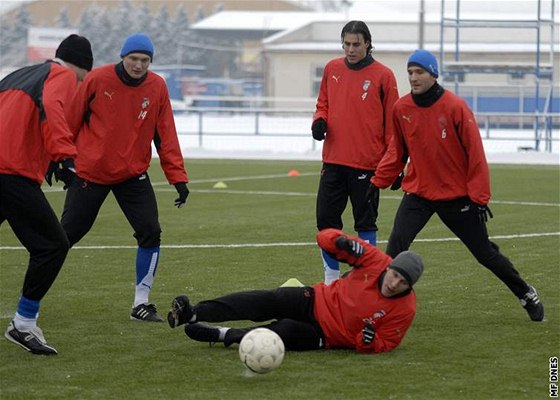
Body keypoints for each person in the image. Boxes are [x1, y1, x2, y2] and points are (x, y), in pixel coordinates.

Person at [371, 49, 544, 322]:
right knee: (394, 250)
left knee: (485, 254)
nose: (414, 78)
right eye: (410, 73)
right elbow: (397, 149)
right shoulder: (401, 108)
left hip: (456, 196)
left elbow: (475, 153)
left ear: (434, 74)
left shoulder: (455, 107)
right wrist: (379, 179)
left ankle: (525, 293)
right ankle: (376, 308)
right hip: (418, 193)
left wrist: (479, 197)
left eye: (420, 72)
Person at [61, 33, 189, 322]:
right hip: (90, 173)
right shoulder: (97, 79)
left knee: (150, 231)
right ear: (123, 57)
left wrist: (177, 177)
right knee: (64, 236)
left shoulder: (157, 86)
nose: (138, 65)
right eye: (133, 59)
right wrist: (61, 159)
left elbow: (165, 133)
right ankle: (32, 298)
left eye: (145, 60)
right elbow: (70, 119)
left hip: (132, 174)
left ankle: (141, 303)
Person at [167, 228, 424, 354]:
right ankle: (193, 313)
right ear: (390, 266)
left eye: (402, 282)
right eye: (395, 275)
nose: (394, 283)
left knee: (283, 331)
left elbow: (388, 342)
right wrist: (341, 242)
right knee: (270, 299)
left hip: (326, 335)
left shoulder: (406, 308)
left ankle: (222, 335)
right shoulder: (376, 260)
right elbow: (323, 237)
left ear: (409, 287)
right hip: (315, 300)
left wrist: (367, 342)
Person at [0, 34, 94, 355]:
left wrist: (51, 155)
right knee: (53, 245)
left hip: (5, 167)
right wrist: (65, 157)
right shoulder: (64, 75)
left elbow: (29, 113)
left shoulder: (20, 74)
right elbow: (53, 108)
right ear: (81, 68)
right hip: (11, 172)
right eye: (84, 77)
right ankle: (23, 324)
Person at [311, 20, 400, 285]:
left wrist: (393, 165)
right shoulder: (332, 69)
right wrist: (319, 120)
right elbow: (322, 103)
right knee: (325, 222)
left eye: (356, 44)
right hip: (333, 161)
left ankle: (365, 280)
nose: (350, 49)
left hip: (367, 165)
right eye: (346, 44)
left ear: (368, 44)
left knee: (365, 224)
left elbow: (392, 127)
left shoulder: (384, 76)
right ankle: (331, 280)